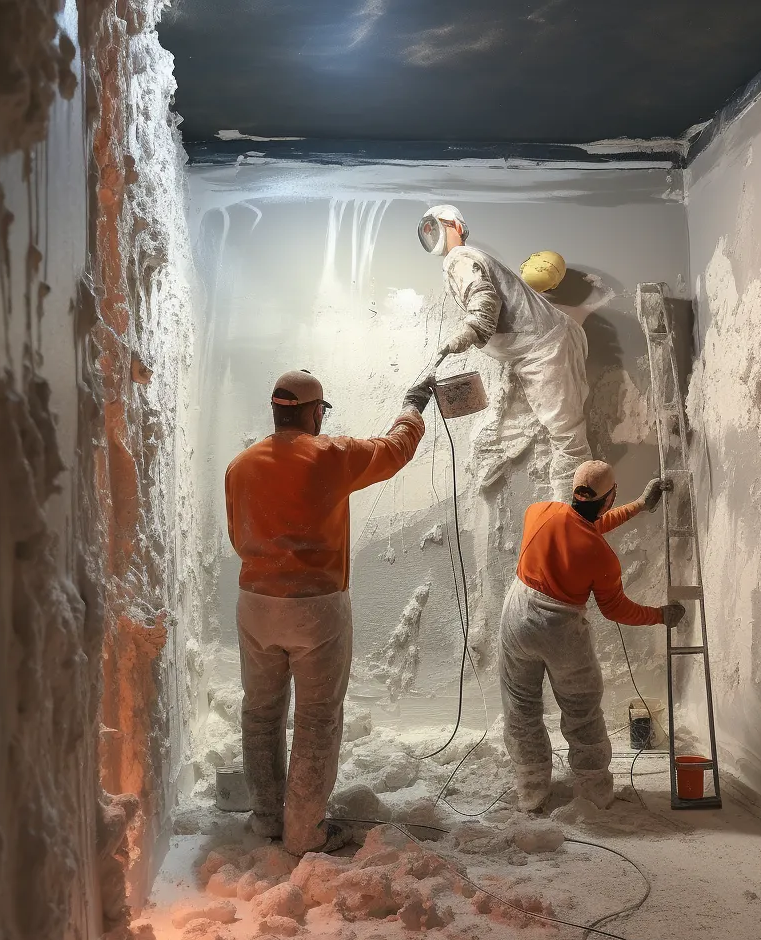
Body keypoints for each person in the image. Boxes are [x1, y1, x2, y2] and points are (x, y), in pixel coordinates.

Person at [225, 369, 435, 855]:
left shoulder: (240, 465)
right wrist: (413, 406)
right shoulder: (328, 456)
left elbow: (238, 536)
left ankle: (267, 820)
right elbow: (394, 450)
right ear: (313, 412)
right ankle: (304, 833)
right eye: (323, 411)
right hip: (316, 609)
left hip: (255, 605)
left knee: (259, 713)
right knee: (317, 719)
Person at [498, 460, 686, 811]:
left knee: (521, 706)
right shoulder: (602, 557)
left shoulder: (537, 511)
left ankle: (532, 791)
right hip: (560, 630)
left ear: (575, 491)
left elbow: (579, 525)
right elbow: (615, 609)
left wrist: (638, 507)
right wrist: (660, 615)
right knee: (581, 711)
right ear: (609, 499)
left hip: (517, 616)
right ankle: (595, 791)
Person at [418, 204, 591, 500]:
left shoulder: (460, 257)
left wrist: (470, 330)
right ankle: (569, 519)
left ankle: (572, 521)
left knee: (568, 439)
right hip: (544, 345)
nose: (432, 233)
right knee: (558, 435)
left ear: (457, 227)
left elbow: (484, 298)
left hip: (544, 348)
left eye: (437, 225)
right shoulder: (465, 261)